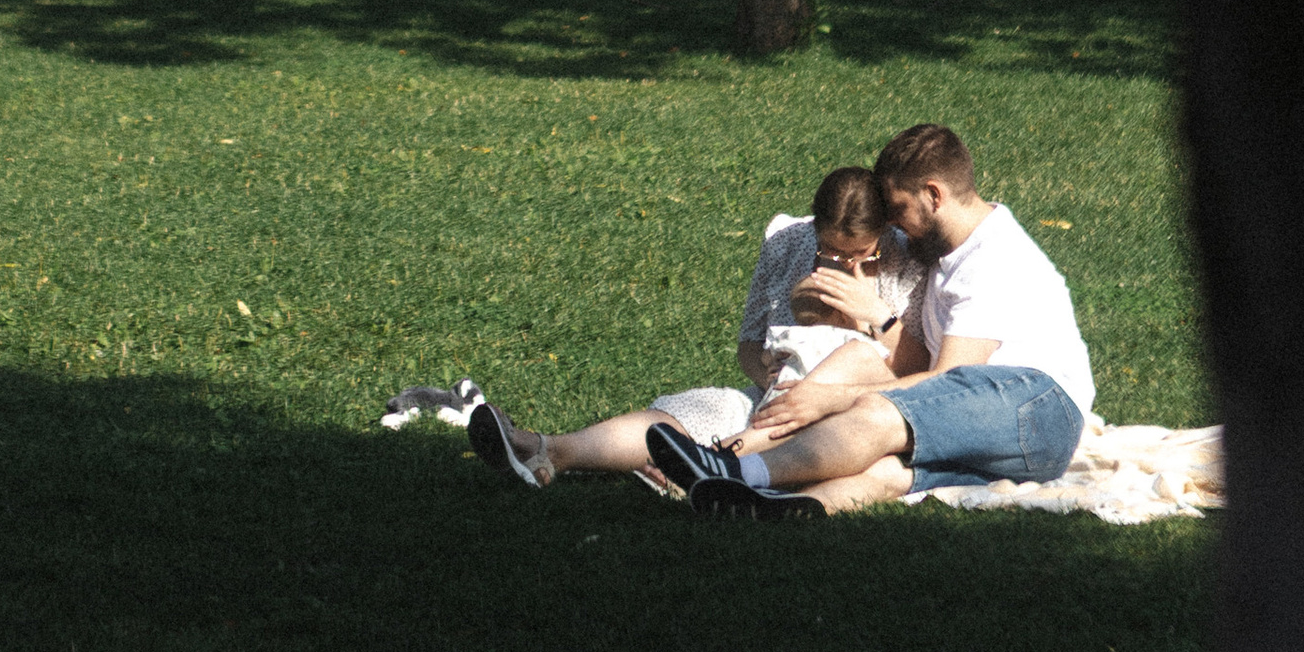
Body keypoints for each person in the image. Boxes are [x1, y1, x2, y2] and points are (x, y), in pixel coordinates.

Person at [647, 120, 1094, 517]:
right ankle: (776, 509)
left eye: (898, 209)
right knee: (887, 473)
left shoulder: (993, 256)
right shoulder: (950, 251)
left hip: (1038, 404)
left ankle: (732, 467)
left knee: (878, 410)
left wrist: (831, 397)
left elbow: (949, 380)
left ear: (934, 195)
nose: (895, 225)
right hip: (1015, 435)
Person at [465, 164, 908, 492]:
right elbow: (749, 342)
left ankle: (700, 466)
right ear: (814, 226)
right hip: (773, 395)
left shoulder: (904, 264)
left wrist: (871, 313)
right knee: (687, 414)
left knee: (783, 424)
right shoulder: (788, 243)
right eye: (830, 249)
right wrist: (767, 374)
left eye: (859, 253)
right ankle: (546, 449)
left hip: (850, 409)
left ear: (882, 233)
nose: (843, 263)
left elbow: (920, 367)